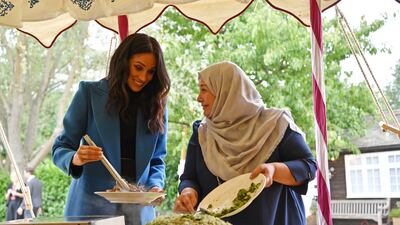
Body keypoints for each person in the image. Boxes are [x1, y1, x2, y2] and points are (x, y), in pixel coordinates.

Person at [173, 61, 317, 225]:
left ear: (226, 92)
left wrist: (274, 170)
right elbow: (189, 178)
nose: (199, 98)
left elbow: (308, 167)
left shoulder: (275, 125)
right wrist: (188, 192)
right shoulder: (202, 134)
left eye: (204, 89)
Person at [52, 33, 170, 225]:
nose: (143, 77)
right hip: (91, 210)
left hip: (138, 214)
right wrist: (75, 158)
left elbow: (157, 160)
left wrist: (155, 186)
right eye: (138, 68)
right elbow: (60, 148)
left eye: (151, 72)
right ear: (124, 62)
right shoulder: (89, 94)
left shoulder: (157, 105)